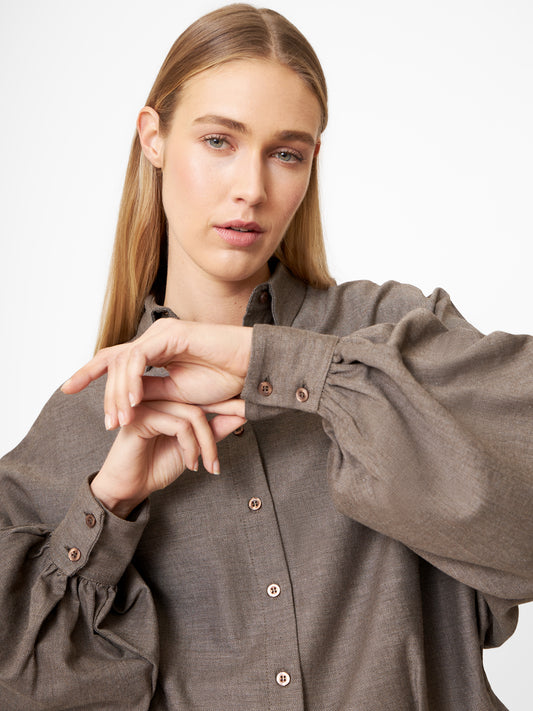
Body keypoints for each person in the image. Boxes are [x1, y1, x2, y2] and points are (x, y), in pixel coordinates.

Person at [1, 3, 532, 710]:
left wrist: (283, 366)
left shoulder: (394, 334)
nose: (251, 188)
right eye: (218, 140)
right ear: (153, 138)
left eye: (286, 152)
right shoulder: (78, 425)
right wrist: (109, 504)